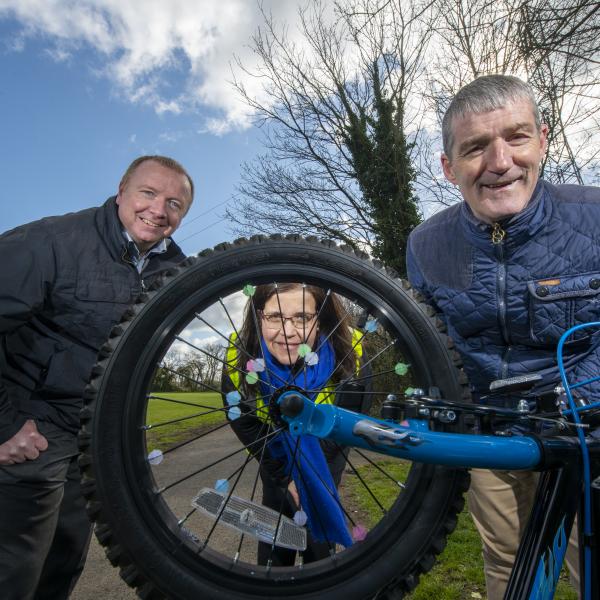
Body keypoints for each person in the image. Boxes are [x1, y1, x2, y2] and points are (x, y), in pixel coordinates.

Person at [406, 74, 600, 599]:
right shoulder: (426, 245)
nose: (499, 162)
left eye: (515, 137)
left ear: (542, 138)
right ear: (448, 168)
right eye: (474, 148)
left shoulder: (595, 215)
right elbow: (427, 345)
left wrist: (578, 395)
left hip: (591, 428)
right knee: (509, 568)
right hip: (492, 432)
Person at [0, 155, 194, 600]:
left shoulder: (173, 273)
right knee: (13, 571)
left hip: (91, 440)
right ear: (122, 190)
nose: (159, 210)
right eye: (148, 193)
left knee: (62, 564)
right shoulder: (50, 241)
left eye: (175, 203)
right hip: (29, 429)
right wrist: (5, 425)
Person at [221, 283, 370, 566]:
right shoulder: (236, 358)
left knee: (319, 538)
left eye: (302, 317)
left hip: (327, 452)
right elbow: (247, 425)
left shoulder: (354, 353)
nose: (288, 332)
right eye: (275, 317)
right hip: (274, 452)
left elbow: (349, 422)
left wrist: (307, 477)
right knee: (276, 538)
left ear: (320, 319)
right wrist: (288, 477)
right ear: (258, 316)